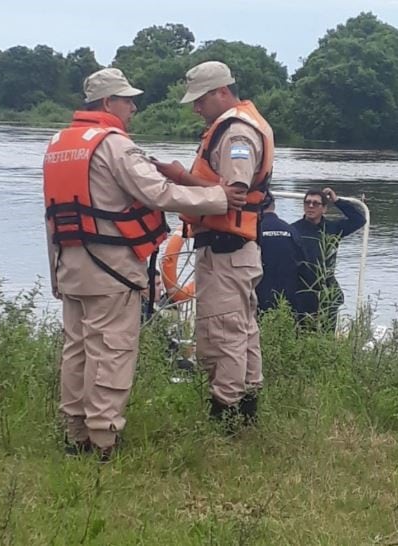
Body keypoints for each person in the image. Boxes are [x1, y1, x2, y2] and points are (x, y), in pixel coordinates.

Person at [43, 67, 247, 460]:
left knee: (78, 350)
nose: (134, 107)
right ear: (107, 103)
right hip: (112, 269)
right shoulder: (113, 145)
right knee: (112, 350)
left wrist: (53, 269)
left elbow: (52, 216)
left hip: (70, 267)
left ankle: (74, 434)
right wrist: (220, 199)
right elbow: (157, 193)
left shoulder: (58, 144)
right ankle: (103, 442)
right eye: (127, 100)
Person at [153, 61, 274, 430]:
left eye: (200, 100)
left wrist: (178, 179)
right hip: (232, 248)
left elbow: (233, 196)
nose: (195, 109)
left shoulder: (237, 134)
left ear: (222, 92)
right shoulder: (232, 127)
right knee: (241, 328)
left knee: (223, 332)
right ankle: (247, 409)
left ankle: (226, 416)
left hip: (227, 248)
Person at [290, 187, 366, 332]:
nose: (310, 206)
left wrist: (337, 201)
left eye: (316, 203)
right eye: (307, 203)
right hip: (302, 290)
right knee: (301, 332)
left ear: (324, 208)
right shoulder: (294, 230)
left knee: (326, 333)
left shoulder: (333, 228)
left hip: (327, 290)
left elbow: (359, 220)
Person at [256, 193, 299, 312]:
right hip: (288, 292)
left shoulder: (254, 230)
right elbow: (302, 261)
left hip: (261, 291)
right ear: (274, 206)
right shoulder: (290, 230)